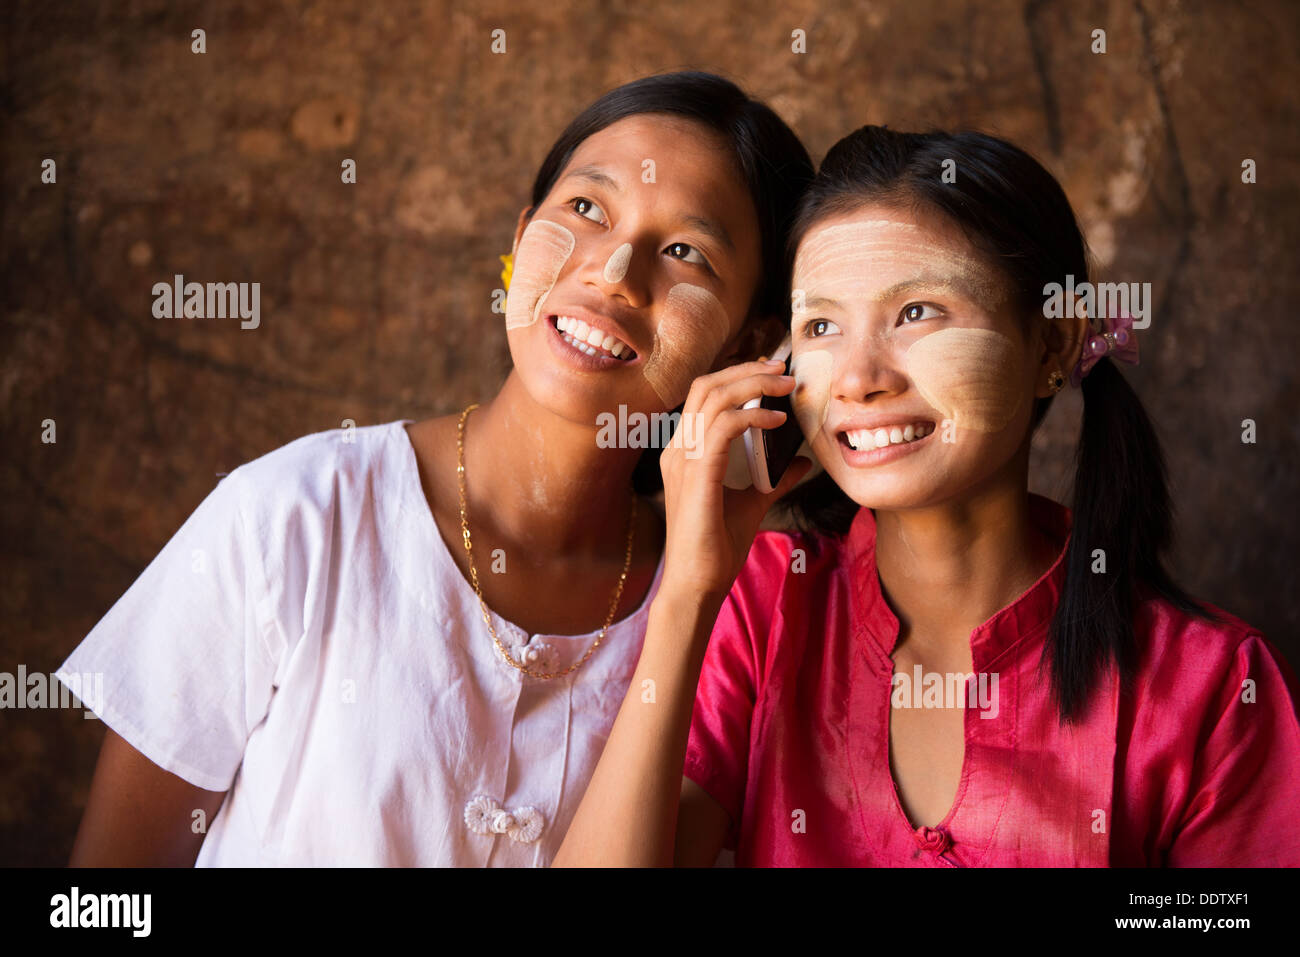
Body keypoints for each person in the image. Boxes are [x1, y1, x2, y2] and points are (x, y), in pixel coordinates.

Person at [55, 71, 814, 866]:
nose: (614, 273)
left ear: (751, 347)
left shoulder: (734, 623)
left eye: (685, 251)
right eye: (586, 209)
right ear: (521, 243)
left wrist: (691, 597)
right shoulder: (293, 517)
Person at [554, 125, 1300, 867]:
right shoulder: (765, 603)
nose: (857, 377)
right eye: (821, 326)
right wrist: (687, 591)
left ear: (1053, 345)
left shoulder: (1216, 688)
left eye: (917, 312)